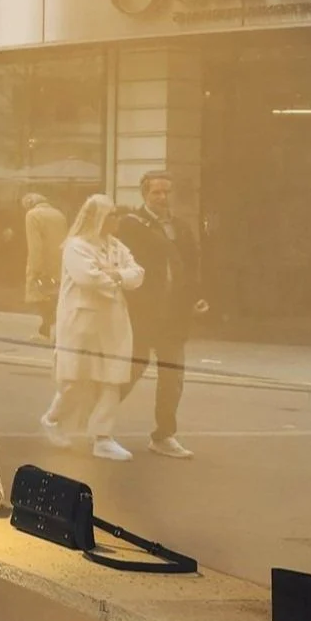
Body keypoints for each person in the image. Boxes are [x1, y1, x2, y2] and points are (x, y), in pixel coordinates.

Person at [42, 193, 145, 461]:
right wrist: (118, 278)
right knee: (74, 380)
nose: (117, 219)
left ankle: (102, 437)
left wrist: (116, 274)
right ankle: (53, 419)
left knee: (112, 377)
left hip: (113, 320)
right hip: (81, 322)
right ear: (97, 217)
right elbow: (88, 278)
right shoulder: (75, 246)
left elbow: (138, 274)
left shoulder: (117, 247)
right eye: (112, 215)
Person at [116, 169, 207, 459]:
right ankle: (97, 421)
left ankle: (164, 435)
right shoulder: (131, 224)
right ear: (145, 194)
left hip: (174, 313)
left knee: (172, 376)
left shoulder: (181, 226)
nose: (162, 197)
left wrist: (197, 296)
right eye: (156, 192)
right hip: (142, 311)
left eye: (167, 192)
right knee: (131, 370)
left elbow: (192, 265)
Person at [23, 191, 69, 341]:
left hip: (43, 263)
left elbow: (35, 245)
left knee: (41, 297)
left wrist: (35, 269)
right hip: (60, 262)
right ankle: (52, 329)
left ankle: (46, 330)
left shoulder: (32, 216)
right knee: (54, 296)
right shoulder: (59, 214)